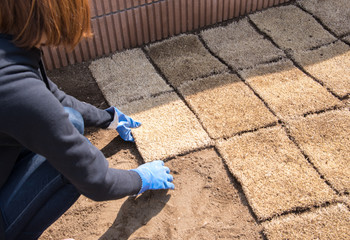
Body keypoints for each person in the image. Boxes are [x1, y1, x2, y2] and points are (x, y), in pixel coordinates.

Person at [0, 0, 175, 239]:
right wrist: (141, 178)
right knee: (72, 159)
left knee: (70, 121)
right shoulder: (17, 89)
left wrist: (109, 118)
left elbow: (54, 97)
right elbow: (96, 180)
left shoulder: (10, 48)